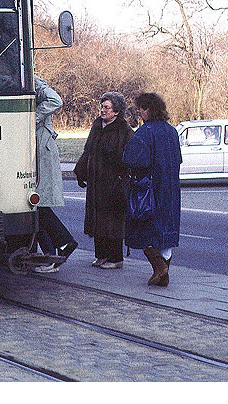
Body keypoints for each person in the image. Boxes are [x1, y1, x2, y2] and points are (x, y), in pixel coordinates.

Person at [122, 92, 182, 286]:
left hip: (148, 189)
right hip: (171, 187)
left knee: (143, 229)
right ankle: (163, 273)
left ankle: (159, 268)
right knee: (166, 232)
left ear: (149, 109)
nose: (139, 112)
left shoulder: (145, 132)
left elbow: (132, 160)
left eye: (141, 108)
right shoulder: (172, 131)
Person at [74, 91, 133, 269]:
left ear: (116, 111)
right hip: (96, 183)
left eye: (107, 107)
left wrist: (120, 173)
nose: (103, 110)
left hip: (113, 183)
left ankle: (115, 258)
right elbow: (88, 151)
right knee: (97, 219)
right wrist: (80, 171)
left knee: (113, 221)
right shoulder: (97, 126)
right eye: (102, 106)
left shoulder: (124, 130)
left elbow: (128, 157)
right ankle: (101, 255)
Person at [30, 75, 78, 273]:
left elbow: (55, 100)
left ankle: (58, 248)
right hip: (36, 149)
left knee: (36, 206)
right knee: (34, 206)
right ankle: (57, 248)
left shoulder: (32, 81)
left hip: (42, 149)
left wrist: (33, 117)